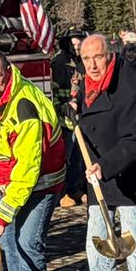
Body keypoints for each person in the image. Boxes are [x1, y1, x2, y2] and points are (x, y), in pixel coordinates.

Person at [0, 49, 65, 271]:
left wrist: (2, 215)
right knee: (7, 243)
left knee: (27, 244)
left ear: (7, 72)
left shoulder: (24, 107)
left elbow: (27, 169)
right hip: (5, 182)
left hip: (40, 183)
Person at [74, 35, 136, 271]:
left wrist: (106, 165)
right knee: (97, 245)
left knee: (135, 245)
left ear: (110, 55)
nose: (92, 65)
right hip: (97, 178)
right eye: (86, 59)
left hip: (126, 173)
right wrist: (73, 107)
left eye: (98, 57)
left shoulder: (129, 84)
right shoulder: (86, 85)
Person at [51, 32, 86, 206]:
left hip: (79, 118)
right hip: (65, 119)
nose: (77, 48)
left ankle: (74, 189)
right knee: (66, 158)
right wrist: (64, 107)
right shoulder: (59, 63)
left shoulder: (82, 62)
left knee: (78, 158)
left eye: (79, 45)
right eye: (74, 45)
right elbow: (53, 92)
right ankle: (62, 193)